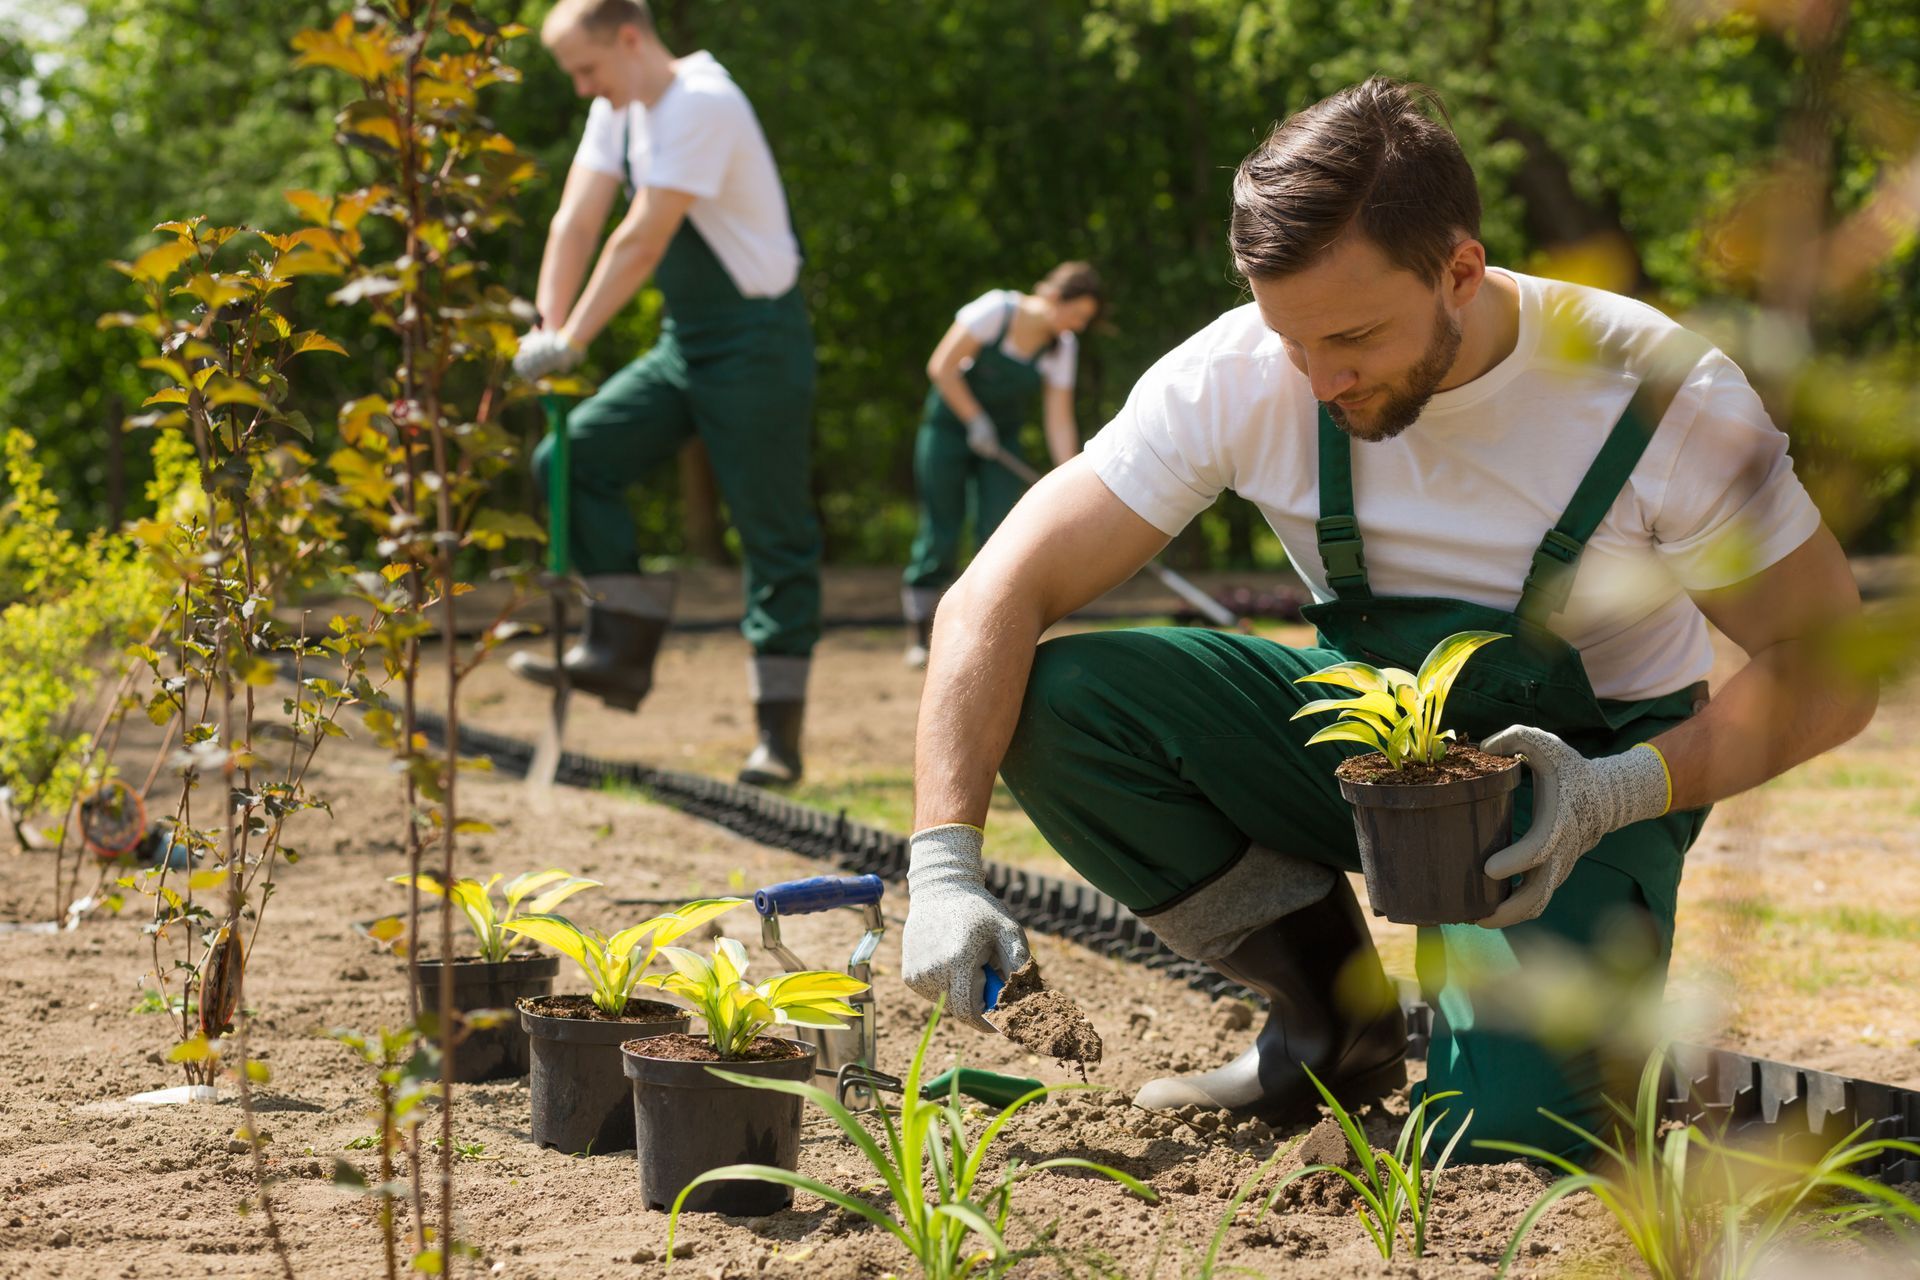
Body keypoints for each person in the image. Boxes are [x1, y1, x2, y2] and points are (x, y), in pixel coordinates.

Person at [896, 78, 1875, 1158]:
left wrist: (1612, 792)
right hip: (1370, 749)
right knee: (1066, 703)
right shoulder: (1241, 372)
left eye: (1353, 336)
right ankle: (1333, 1023)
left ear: (1461, 269)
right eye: (1292, 340)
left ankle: (1536, 1005)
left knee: (1503, 1140)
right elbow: (994, 589)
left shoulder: (1653, 396)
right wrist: (943, 864)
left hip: (1580, 786)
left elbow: (1828, 666)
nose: (1320, 378)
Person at [509, 0, 821, 787]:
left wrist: (573, 341)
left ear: (629, 37)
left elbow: (640, 238)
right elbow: (575, 223)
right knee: (569, 460)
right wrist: (548, 327)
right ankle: (618, 653)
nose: (583, 88)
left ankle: (776, 740)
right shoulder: (621, 111)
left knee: (772, 534)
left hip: (757, 345)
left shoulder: (702, 103)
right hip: (687, 345)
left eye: (587, 69)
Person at [901, 265, 1103, 667]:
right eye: (1075, 315)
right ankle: (920, 638)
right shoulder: (995, 311)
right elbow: (941, 366)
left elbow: (1058, 416)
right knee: (941, 530)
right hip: (950, 430)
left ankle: (976, 636)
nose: (1076, 327)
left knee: (996, 533)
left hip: (1001, 444)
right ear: (1054, 298)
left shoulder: (1061, 346)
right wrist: (975, 419)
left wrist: (1070, 475)